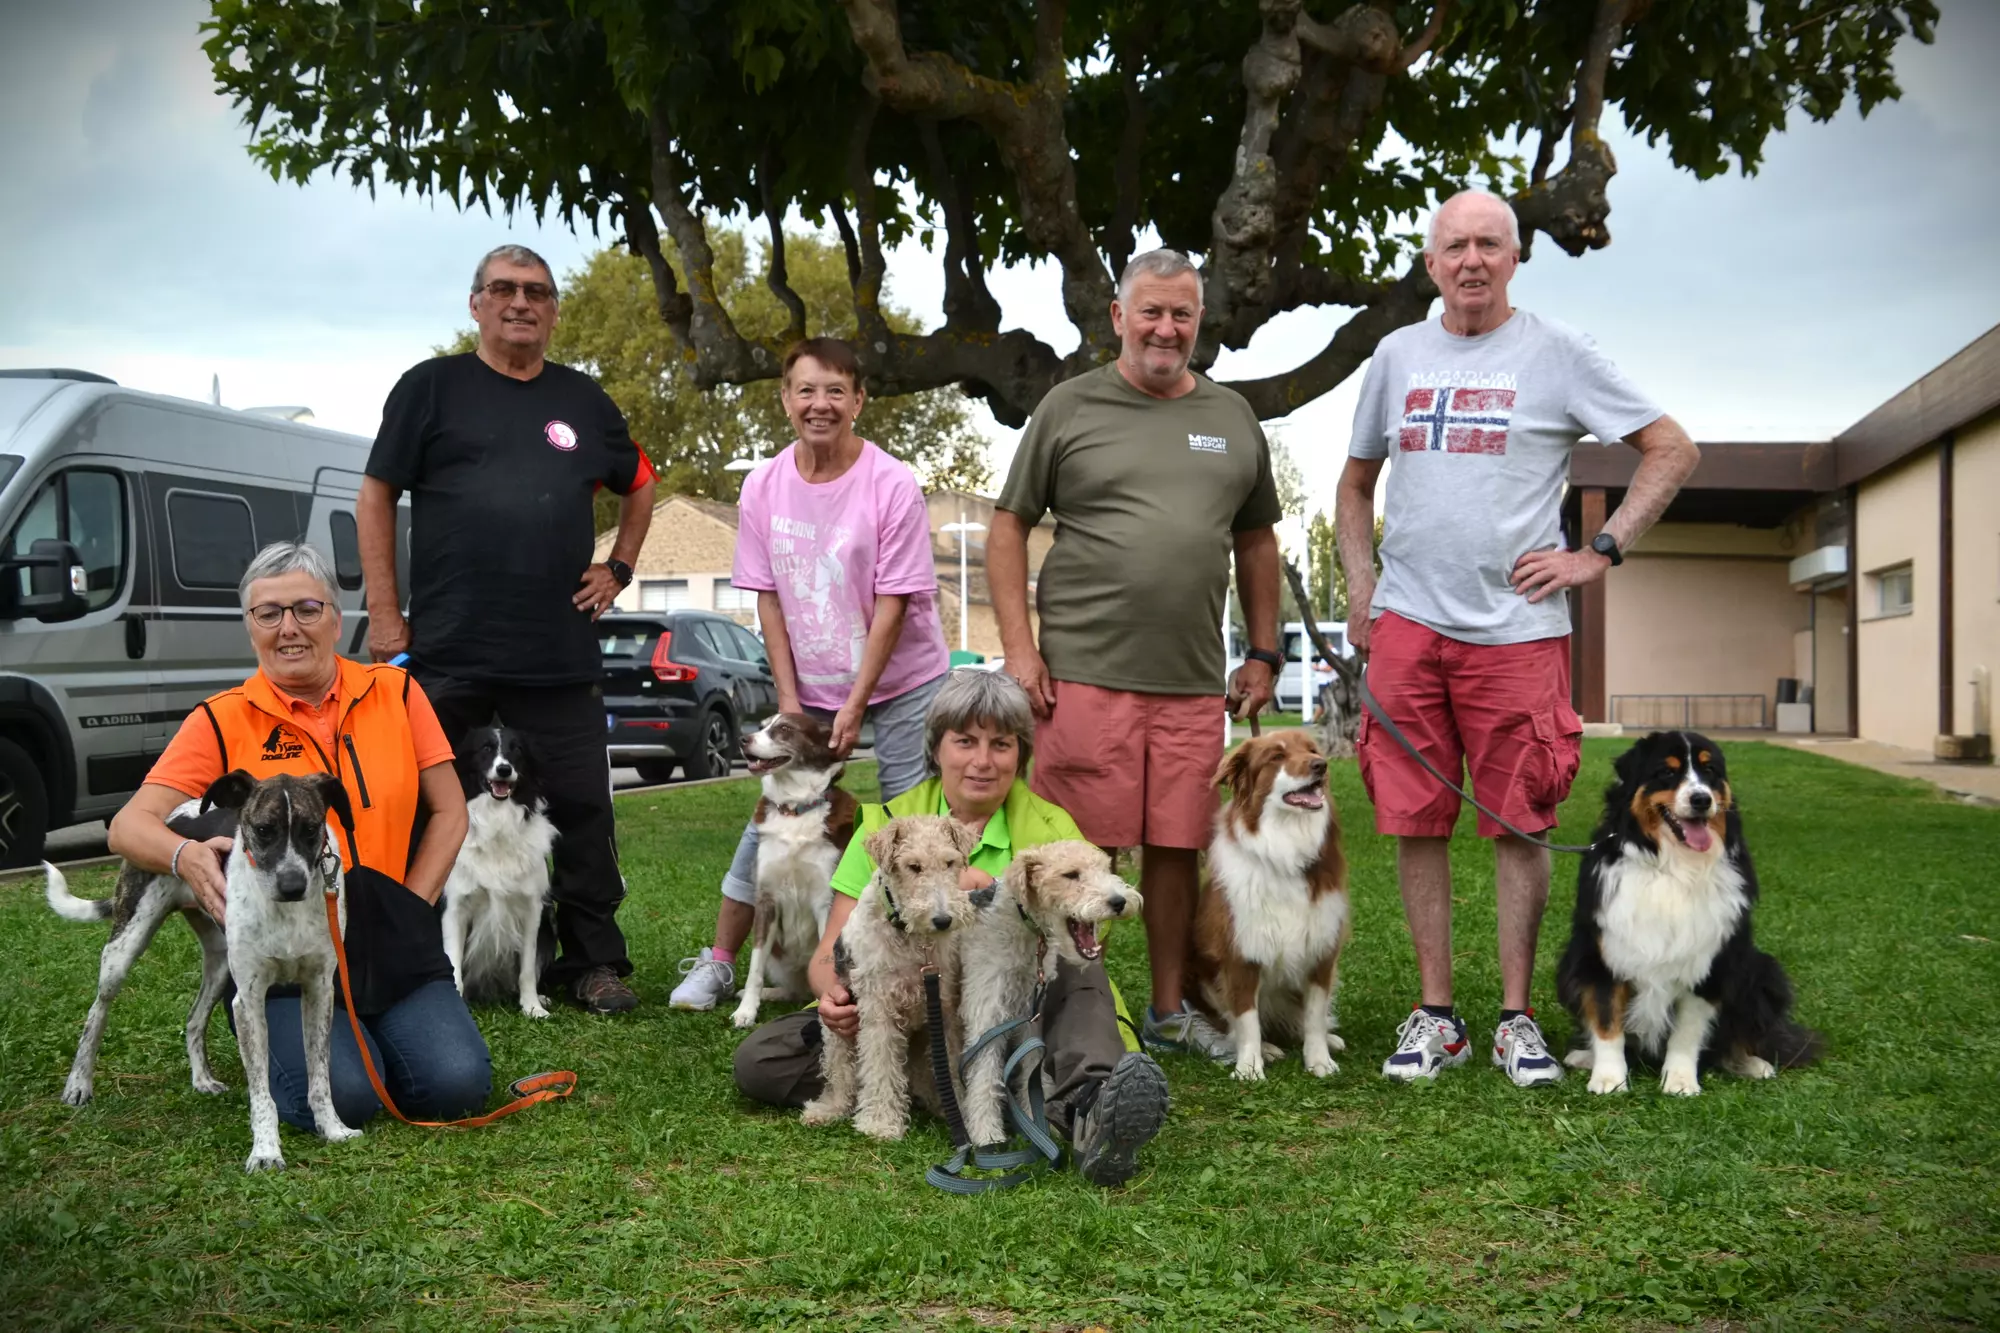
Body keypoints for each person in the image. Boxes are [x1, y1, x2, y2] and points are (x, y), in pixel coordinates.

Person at [1337, 189, 1699, 1087]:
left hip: (1517, 632)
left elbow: (1672, 447)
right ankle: (1434, 1015)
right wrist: (1360, 586)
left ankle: (1513, 1020)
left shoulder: (1557, 352)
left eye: (1488, 245)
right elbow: (1353, 486)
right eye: (1454, 245)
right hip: (1409, 625)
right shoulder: (1395, 355)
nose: (1471, 261)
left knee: (1519, 820)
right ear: (1430, 264)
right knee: (1414, 818)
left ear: (1514, 258)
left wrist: (1598, 551)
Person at [987, 248, 1283, 1062]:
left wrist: (1263, 650)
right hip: (1083, 675)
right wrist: (1020, 649)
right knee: (1085, 853)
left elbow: (1257, 542)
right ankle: (1074, 1008)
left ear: (1199, 322)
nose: (1165, 327)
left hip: (1191, 683)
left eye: (1181, 313)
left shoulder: (1231, 417)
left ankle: (1161, 1009)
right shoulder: (1069, 406)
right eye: (1149, 311)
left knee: (1179, 846)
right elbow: (1008, 524)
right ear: (1118, 316)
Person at [358, 243, 658, 1015]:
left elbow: (642, 483)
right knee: (429, 808)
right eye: (503, 289)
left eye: (536, 292)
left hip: (557, 653)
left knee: (585, 807)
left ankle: (591, 964)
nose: (520, 302)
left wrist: (618, 567)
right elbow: (376, 495)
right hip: (449, 649)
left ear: (554, 309)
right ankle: (421, 961)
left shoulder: (585, 400)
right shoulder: (431, 389)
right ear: (476, 303)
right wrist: (386, 614)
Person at [733, 670, 1170, 1188]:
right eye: (965, 741)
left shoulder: (1051, 828)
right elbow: (832, 950)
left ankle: (1093, 1105)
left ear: (1020, 755)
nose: (982, 761)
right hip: (905, 998)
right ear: (936, 748)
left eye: (1001, 745)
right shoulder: (888, 822)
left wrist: (1001, 895)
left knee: (1079, 973)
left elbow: (1085, 933)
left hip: (1018, 997)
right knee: (762, 1059)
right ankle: (950, 1088)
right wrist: (833, 994)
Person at [107, 542, 487, 1129]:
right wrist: (184, 857)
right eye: (269, 613)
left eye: (307, 609)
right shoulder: (220, 718)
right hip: (284, 947)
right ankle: (336, 1043)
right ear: (250, 627)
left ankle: (364, 1026)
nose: (289, 628)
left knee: (456, 1085)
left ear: (336, 618)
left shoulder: (397, 692)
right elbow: (127, 827)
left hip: (390, 933)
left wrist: (411, 907)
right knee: (350, 1098)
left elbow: (450, 812)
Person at [668, 337, 950, 1012]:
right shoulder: (764, 485)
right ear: (786, 399)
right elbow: (767, 595)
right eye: (805, 389)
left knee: (907, 824)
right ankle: (721, 962)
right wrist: (792, 703)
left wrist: (856, 704)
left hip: (905, 678)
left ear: (858, 400)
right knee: (773, 815)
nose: (819, 403)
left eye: (834, 390)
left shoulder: (891, 483)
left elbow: (894, 601)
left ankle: (911, 961)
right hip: (811, 682)